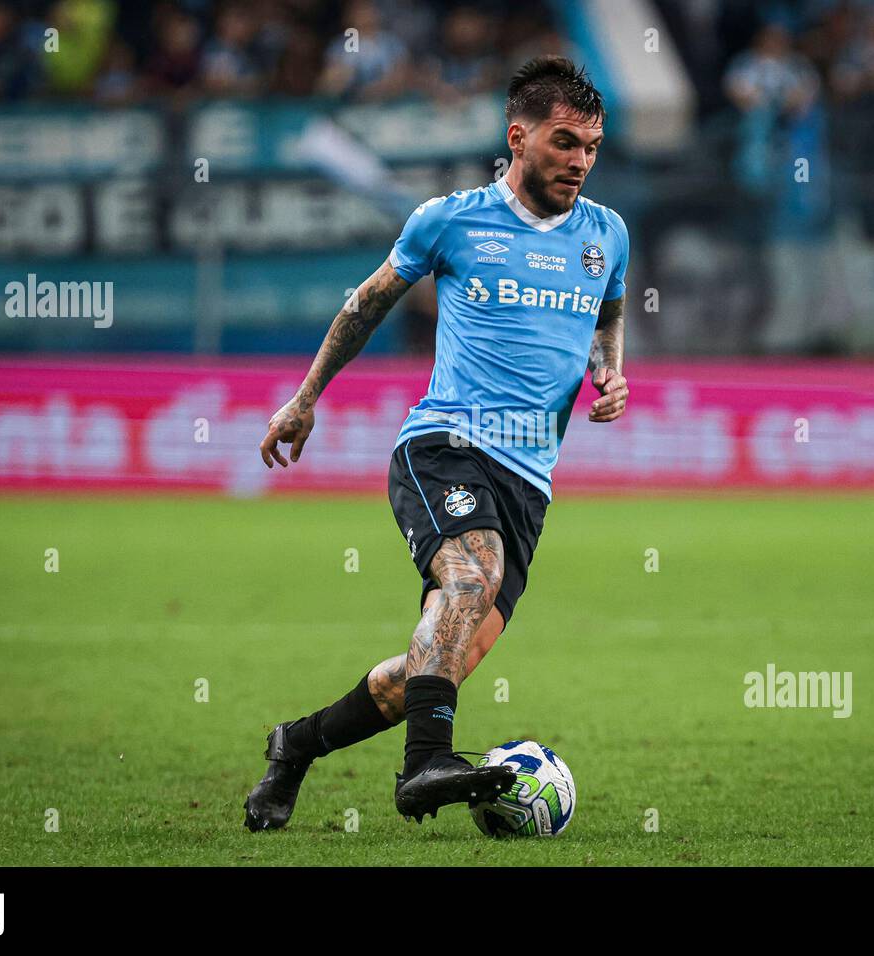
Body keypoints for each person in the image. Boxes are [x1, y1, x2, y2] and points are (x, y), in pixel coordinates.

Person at [245, 55, 630, 829]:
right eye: (564, 142)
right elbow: (366, 304)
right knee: (470, 576)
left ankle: (296, 747)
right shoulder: (450, 219)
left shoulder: (606, 235)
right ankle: (425, 766)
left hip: (530, 481)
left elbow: (606, 314)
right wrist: (305, 397)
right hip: (444, 445)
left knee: (431, 665)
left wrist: (609, 374)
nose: (580, 161)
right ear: (518, 136)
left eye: (591, 146)